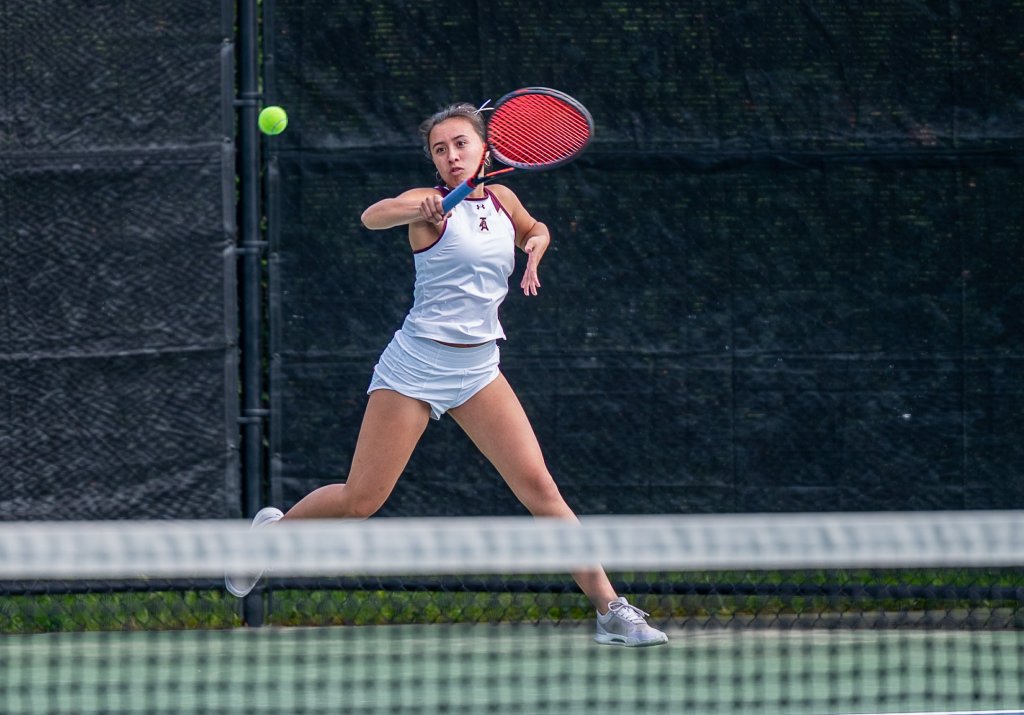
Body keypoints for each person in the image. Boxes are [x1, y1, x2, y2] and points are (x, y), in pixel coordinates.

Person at [227, 102, 667, 647]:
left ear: (486, 147)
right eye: (440, 149)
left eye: (460, 144)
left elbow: (536, 228)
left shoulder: (503, 198)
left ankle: (610, 610)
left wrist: (536, 247)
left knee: (540, 489)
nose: (452, 156)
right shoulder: (426, 206)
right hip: (415, 367)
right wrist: (424, 206)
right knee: (361, 500)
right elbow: (373, 215)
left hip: (480, 368)